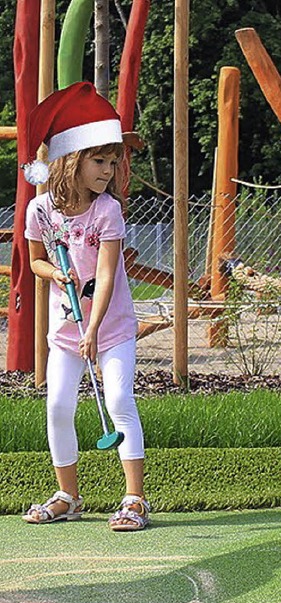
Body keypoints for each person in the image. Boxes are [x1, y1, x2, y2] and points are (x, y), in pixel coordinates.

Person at [21, 81, 149, 531]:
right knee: (57, 406)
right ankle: (67, 496)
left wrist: (93, 329)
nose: (109, 171)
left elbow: (109, 276)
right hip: (65, 330)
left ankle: (134, 499)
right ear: (72, 159)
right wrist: (55, 274)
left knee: (117, 399)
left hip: (109, 329)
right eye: (100, 160)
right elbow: (35, 261)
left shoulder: (107, 211)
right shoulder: (40, 211)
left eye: (113, 162)